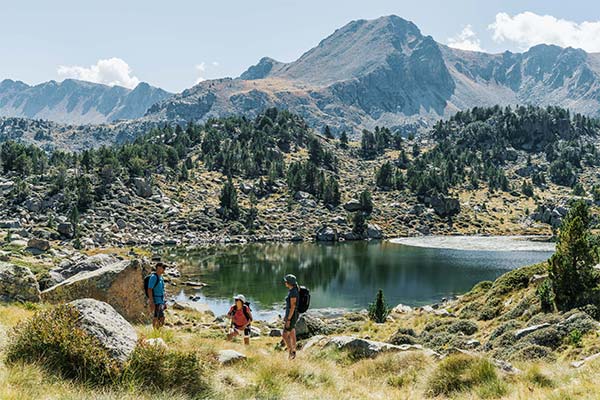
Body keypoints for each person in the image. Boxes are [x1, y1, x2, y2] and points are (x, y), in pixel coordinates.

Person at [282, 274, 299, 359]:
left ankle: (291, 352)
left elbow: (293, 306)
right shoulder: (293, 290)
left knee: (285, 335)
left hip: (292, 316)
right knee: (292, 332)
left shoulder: (293, 292)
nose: (285, 282)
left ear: (289, 283)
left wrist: (288, 319)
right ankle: (294, 351)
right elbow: (291, 305)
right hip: (292, 315)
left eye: (286, 281)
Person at [147, 262, 167, 329]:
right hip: (156, 301)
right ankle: (156, 331)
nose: (164, 269)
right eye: (163, 267)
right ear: (158, 268)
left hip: (160, 301)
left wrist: (164, 302)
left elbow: (162, 291)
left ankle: (156, 330)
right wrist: (151, 301)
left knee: (157, 317)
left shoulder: (161, 278)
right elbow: (149, 289)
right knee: (160, 317)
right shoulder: (154, 277)